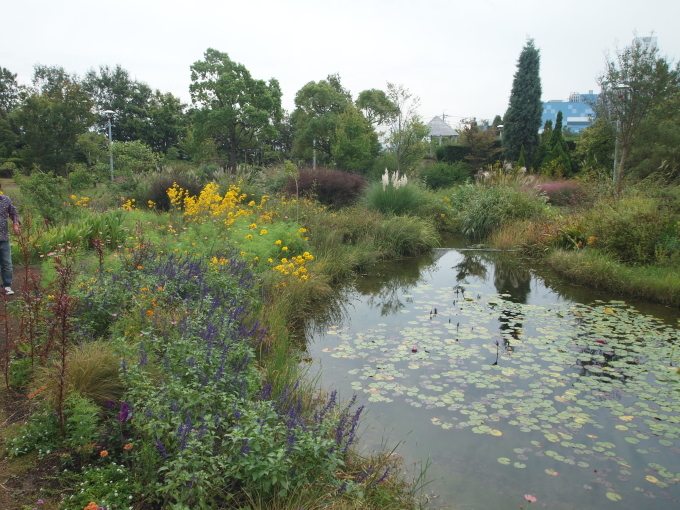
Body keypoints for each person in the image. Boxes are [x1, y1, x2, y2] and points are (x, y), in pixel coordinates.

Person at [0, 184, 20, 295]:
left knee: (7, 264)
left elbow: (13, 213)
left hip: (3, 237)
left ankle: (7, 286)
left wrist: (15, 223)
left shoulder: (5, 200)